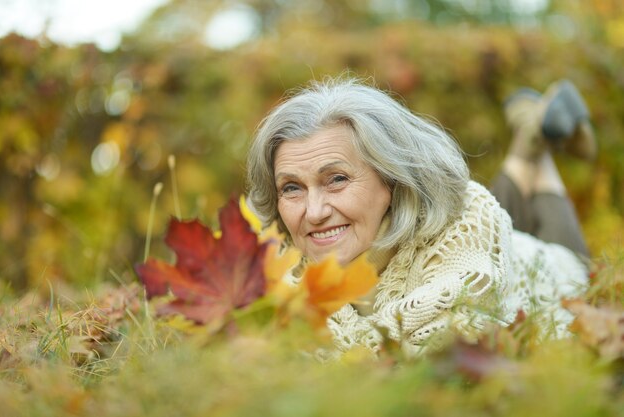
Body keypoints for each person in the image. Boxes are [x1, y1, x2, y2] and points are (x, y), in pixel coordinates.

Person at [246, 77, 593, 357]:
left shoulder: (468, 230)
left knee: (577, 268)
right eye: (291, 188)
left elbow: (442, 362)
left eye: (336, 179)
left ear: (392, 179)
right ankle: (529, 139)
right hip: (494, 237)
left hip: (542, 267)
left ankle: (536, 151)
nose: (315, 212)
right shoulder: (276, 275)